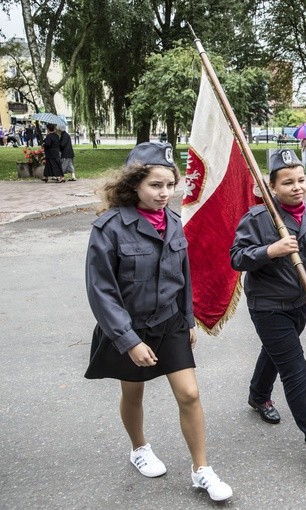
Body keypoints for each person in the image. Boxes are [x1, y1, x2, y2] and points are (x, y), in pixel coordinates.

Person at [84, 142, 233, 502]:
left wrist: (188, 319)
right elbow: (101, 290)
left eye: (169, 185)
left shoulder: (174, 223)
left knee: (190, 394)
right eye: (155, 185)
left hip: (169, 323)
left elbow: (182, 276)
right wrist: (129, 341)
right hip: (129, 328)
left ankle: (201, 470)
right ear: (134, 184)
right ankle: (139, 448)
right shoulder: (110, 228)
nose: (164, 193)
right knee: (133, 392)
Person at [230, 149, 306, 466]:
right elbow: (237, 257)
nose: (297, 187)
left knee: (275, 352)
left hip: (301, 303)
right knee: (294, 368)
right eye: (288, 182)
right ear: (272, 187)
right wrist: (271, 250)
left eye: (301, 180)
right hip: (267, 304)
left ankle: (258, 394)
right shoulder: (258, 219)